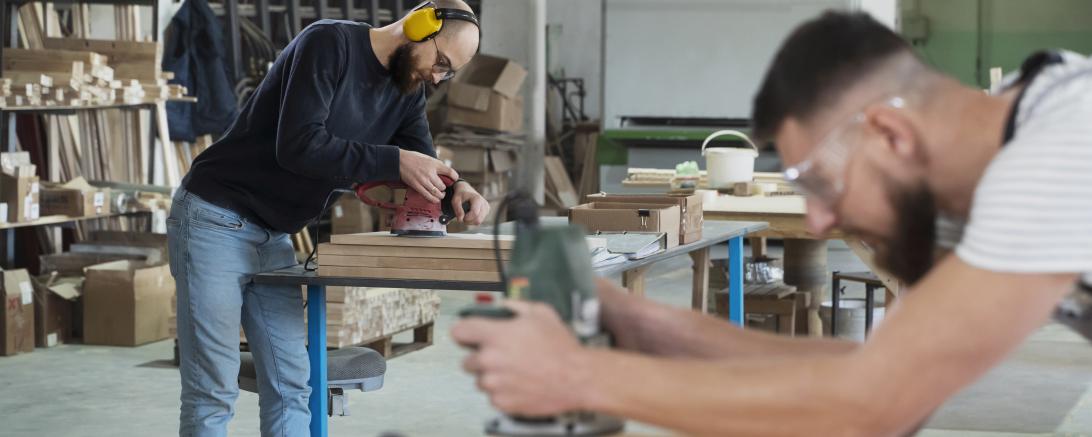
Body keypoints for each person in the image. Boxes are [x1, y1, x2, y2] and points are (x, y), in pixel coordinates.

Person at [452, 11, 1092, 436]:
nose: (817, 220)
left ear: (892, 134)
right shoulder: (989, 171)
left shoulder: (1058, 149)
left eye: (820, 182)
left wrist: (574, 375)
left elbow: (874, 406)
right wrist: (646, 325)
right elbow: (870, 372)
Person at [168, 1, 488, 435]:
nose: (437, 77)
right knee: (213, 390)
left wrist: (457, 188)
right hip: (214, 218)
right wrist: (394, 161)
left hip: (273, 234)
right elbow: (299, 145)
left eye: (448, 73)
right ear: (419, 25)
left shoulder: (407, 92)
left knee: (292, 383)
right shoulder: (329, 44)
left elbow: (422, 161)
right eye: (441, 62)